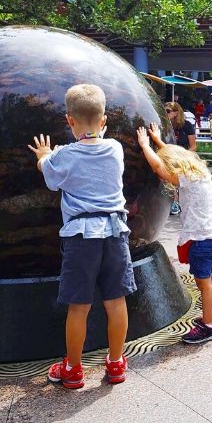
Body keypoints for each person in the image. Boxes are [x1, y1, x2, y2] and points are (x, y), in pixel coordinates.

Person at [27, 84, 135, 389]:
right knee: (116, 301)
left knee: (79, 306)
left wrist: (45, 154)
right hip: (115, 233)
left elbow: (47, 174)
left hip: (81, 236)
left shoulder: (65, 156)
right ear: (103, 121)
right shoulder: (115, 149)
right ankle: (116, 363)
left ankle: (73, 369)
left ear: (69, 120)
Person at [136, 123, 212, 344]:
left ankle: (208, 327)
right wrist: (158, 141)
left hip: (200, 240)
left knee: (203, 283)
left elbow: (158, 167)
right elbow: (174, 154)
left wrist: (145, 145)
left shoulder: (185, 178)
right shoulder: (200, 172)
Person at [164, 101, 196, 215]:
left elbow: (193, 146)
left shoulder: (186, 125)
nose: (166, 113)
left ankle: (179, 203)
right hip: (168, 157)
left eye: (168, 111)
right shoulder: (164, 125)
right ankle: (174, 202)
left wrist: (182, 156)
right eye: (165, 111)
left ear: (176, 112)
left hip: (182, 158)